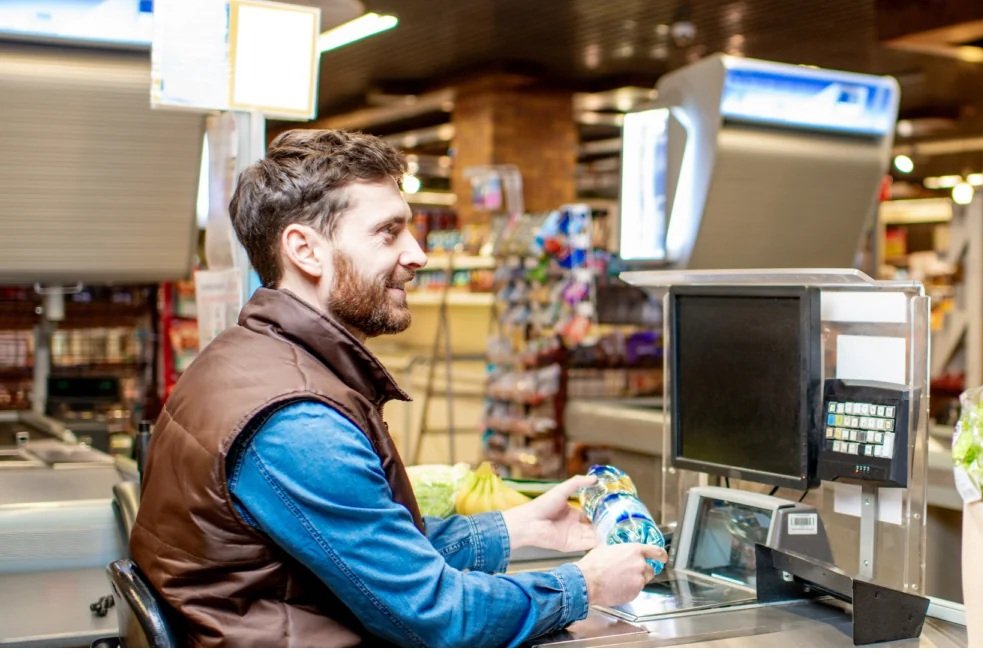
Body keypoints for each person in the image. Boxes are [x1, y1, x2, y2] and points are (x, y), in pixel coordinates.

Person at [130, 130, 665, 647]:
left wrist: (516, 529)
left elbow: (371, 555)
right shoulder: (297, 421)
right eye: (388, 232)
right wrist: (585, 585)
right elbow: (437, 618)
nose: (418, 255)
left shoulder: (242, 358)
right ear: (305, 250)